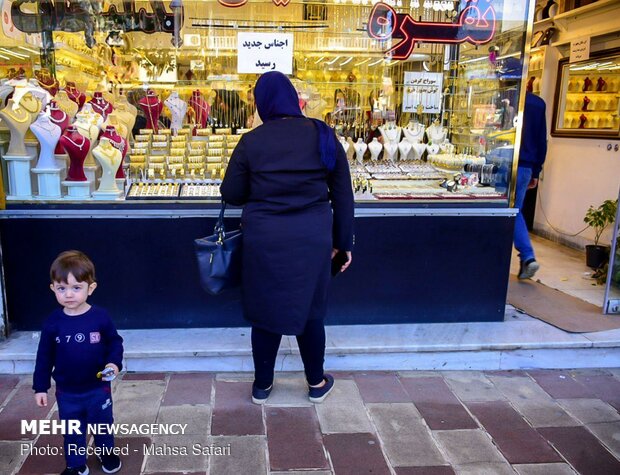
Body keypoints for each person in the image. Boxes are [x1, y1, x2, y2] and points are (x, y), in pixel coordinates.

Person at [220, 71, 354, 405]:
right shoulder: (323, 136)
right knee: (310, 310)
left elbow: (232, 194)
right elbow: (343, 195)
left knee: (266, 311)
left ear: (262, 102)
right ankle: (316, 382)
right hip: (313, 239)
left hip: (265, 240)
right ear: (294, 98)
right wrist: (344, 243)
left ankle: (262, 386)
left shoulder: (252, 141)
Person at [33, 250, 124, 475]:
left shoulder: (100, 317)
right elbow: (43, 357)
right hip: (67, 392)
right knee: (72, 429)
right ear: (53, 288)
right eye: (62, 288)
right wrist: (40, 387)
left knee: (102, 424)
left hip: (98, 388)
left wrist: (114, 364)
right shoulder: (52, 323)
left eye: (76, 287)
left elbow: (115, 342)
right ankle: (76, 464)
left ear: (90, 288)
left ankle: (106, 452)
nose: (69, 294)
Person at [515, 92, 547, 279]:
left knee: (494, 209)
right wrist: (536, 171)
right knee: (515, 211)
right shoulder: (538, 103)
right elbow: (541, 140)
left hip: (500, 162)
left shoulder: (505, 94)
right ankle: (527, 256)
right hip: (525, 167)